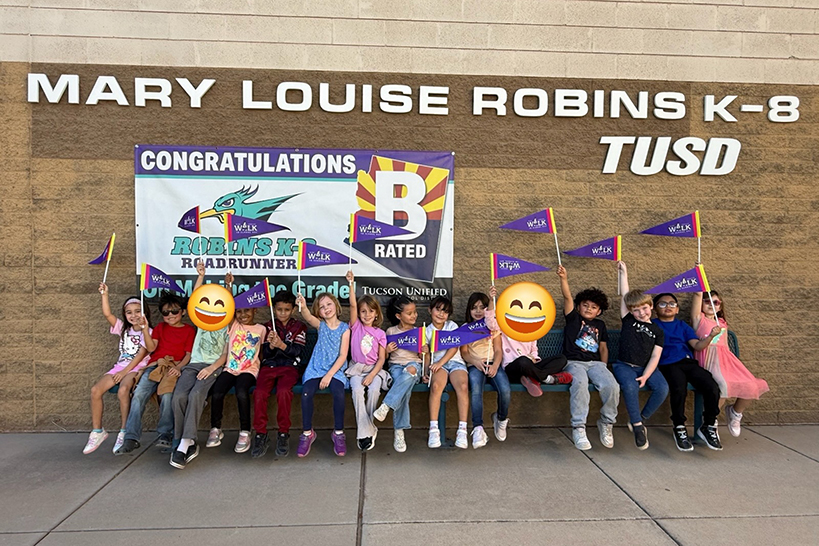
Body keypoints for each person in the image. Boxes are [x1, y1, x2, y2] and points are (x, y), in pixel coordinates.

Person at [116, 291, 195, 455]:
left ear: (183, 312)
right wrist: (145, 329)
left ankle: (165, 433)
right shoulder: (160, 327)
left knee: (167, 396)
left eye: (174, 311)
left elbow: (188, 354)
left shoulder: (189, 330)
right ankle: (131, 437)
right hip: (155, 365)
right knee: (138, 394)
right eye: (166, 312)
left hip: (174, 366)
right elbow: (151, 348)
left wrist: (179, 368)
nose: (170, 315)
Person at [169, 262, 229, 468]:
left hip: (213, 366)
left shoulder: (228, 325)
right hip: (193, 364)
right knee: (178, 396)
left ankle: (186, 443)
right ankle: (182, 439)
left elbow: (224, 355)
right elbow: (195, 299)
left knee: (196, 395)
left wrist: (212, 368)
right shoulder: (201, 321)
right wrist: (201, 276)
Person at [556, 265, 619, 451]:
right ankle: (578, 427)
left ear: (599, 311)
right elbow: (567, 296)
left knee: (612, 385)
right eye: (585, 305)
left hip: (595, 363)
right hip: (573, 363)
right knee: (580, 384)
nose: (589, 309)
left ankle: (606, 423)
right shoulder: (573, 318)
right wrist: (564, 278)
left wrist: (604, 367)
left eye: (593, 307)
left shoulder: (600, 324)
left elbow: (603, 347)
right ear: (578, 306)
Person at [83, 284, 152, 454]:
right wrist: (104, 294)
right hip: (119, 367)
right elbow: (107, 314)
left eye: (137, 311)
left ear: (144, 313)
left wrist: (124, 372)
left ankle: (124, 431)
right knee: (95, 390)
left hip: (136, 368)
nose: (133, 315)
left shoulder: (148, 331)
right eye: (129, 312)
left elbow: (141, 355)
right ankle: (98, 431)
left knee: (123, 391)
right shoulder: (123, 329)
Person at [652, 291, 723, 451]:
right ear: (655, 309)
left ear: (677, 309)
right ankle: (679, 426)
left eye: (672, 304)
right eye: (662, 304)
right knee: (679, 388)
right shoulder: (653, 325)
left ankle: (709, 425)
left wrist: (710, 336)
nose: (668, 307)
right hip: (667, 363)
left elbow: (697, 345)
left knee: (711, 385)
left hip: (688, 362)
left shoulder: (683, 326)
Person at [691, 290, 768, 437]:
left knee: (752, 385)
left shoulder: (722, 323)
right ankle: (710, 420)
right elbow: (696, 296)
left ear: (720, 307)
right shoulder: (699, 319)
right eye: (707, 301)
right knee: (724, 384)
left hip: (726, 360)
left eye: (716, 302)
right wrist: (698, 274)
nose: (711, 305)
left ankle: (735, 412)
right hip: (709, 359)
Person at [207, 273, 266, 454]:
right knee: (217, 392)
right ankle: (216, 428)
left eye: (247, 311)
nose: (243, 315)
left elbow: (262, 353)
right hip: (230, 368)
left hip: (249, 370)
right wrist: (229, 286)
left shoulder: (261, 329)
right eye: (239, 312)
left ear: (255, 310)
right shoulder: (233, 326)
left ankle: (245, 431)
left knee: (241, 393)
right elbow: (227, 306)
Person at [611, 261, 668, 450]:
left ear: (651, 306)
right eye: (636, 310)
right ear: (631, 311)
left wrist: (646, 375)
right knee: (629, 386)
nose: (641, 313)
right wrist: (623, 273)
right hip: (624, 365)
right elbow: (626, 295)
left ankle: (641, 418)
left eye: (644, 308)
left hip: (646, 366)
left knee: (662, 388)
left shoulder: (658, 330)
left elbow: (655, 357)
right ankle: (637, 427)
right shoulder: (628, 320)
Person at [485, 285, 569, 399]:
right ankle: (546, 378)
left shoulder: (530, 328)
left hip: (530, 365)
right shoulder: (502, 326)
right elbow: (491, 323)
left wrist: (534, 358)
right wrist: (491, 300)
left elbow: (534, 349)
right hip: (512, 368)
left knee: (562, 359)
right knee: (523, 361)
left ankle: (533, 377)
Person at [250, 290, 307, 458]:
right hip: (269, 367)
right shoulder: (267, 327)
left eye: (287, 309)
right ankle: (260, 433)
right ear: (274, 309)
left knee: (283, 393)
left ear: (293, 310)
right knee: (259, 393)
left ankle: (283, 433)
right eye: (279, 309)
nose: (283, 313)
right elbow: (264, 354)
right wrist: (271, 346)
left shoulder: (299, 327)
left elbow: (298, 351)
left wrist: (282, 345)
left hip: (289, 367)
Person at [295, 291, 350, 458]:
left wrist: (329, 376)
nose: (326, 309)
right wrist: (303, 306)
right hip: (316, 368)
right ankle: (307, 433)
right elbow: (307, 317)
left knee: (339, 393)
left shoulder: (344, 329)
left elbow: (342, 355)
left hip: (335, 370)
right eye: (322, 307)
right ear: (318, 312)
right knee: (306, 393)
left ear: (336, 305)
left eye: (329, 304)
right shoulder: (321, 325)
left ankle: (338, 432)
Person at [373, 296, 425, 453]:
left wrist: (425, 352)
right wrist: (387, 351)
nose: (414, 316)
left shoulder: (419, 332)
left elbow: (425, 358)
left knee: (409, 373)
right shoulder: (390, 331)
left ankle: (386, 405)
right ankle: (399, 431)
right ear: (398, 316)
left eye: (415, 312)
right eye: (409, 313)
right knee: (403, 386)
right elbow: (384, 357)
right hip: (395, 366)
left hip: (414, 365)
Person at [344, 271, 388, 451]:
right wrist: (351, 284)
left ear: (376, 313)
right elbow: (353, 306)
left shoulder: (380, 334)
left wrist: (372, 375)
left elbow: (382, 358)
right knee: (356, 390)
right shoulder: (356, 327)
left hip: (374, 369)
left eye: (371, 311)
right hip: (356, 368)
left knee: (374, 390)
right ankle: (369, 430)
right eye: (363, 311)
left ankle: (364, 431)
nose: (367, 314)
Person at [459, 291, 508, 448]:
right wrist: (475, 361)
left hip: (493, 363)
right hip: (475, 365)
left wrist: (495, 365)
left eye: (482, 307)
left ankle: (501, 418)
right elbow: (464, 352)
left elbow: (499, 350)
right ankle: (478, 427)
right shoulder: (466, 328)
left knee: (505, 389)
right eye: (474, 308)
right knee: (475, 389)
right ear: (469, 310)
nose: (478, 311)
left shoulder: (493, 327)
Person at [425, 296, 471, 449]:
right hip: (437, 366)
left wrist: (440, 363)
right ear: (430, 310)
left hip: (454, 362)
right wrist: (425, 373)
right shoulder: (426, 331)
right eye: (437, 309)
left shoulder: (451, 326)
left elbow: (454, 347)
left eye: (445, 312)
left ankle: (462, 430)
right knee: (436, 386)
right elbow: (427, 356)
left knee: (463, 386)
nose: (440, 314)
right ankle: (433, 429)